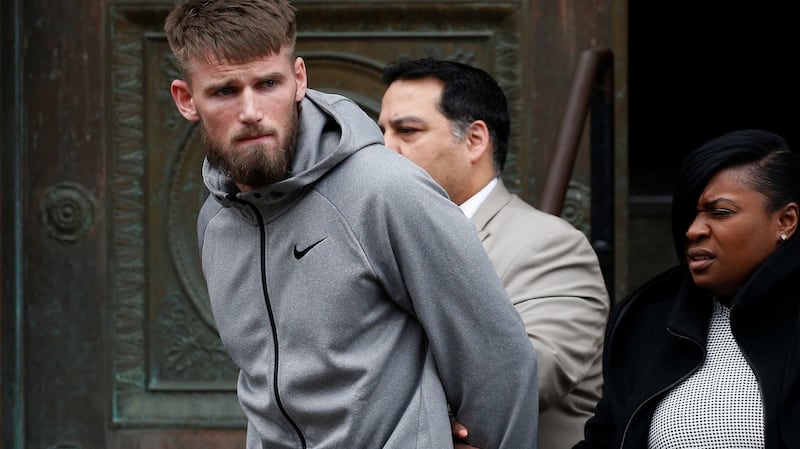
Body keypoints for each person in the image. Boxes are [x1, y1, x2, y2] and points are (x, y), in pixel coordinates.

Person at [163, 1, 539, 448]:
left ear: (299, 79)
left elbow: (496, 358)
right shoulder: (215, 221)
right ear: (186, 100)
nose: (251, 111)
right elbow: (262, 386)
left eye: (268, 84)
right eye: (225, 91)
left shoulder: (385, 190)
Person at [379, 57, 610, 449]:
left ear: (475, 140)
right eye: (382, 132)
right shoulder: (377, 241)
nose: (385, 149)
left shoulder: (550, 245)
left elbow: (524, 377)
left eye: (407, 131)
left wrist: (415, 419)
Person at [574, 128, 800, 449]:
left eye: (720, 212)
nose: (693, 230)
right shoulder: (648, 321)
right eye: (690, 216)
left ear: (786, 221)